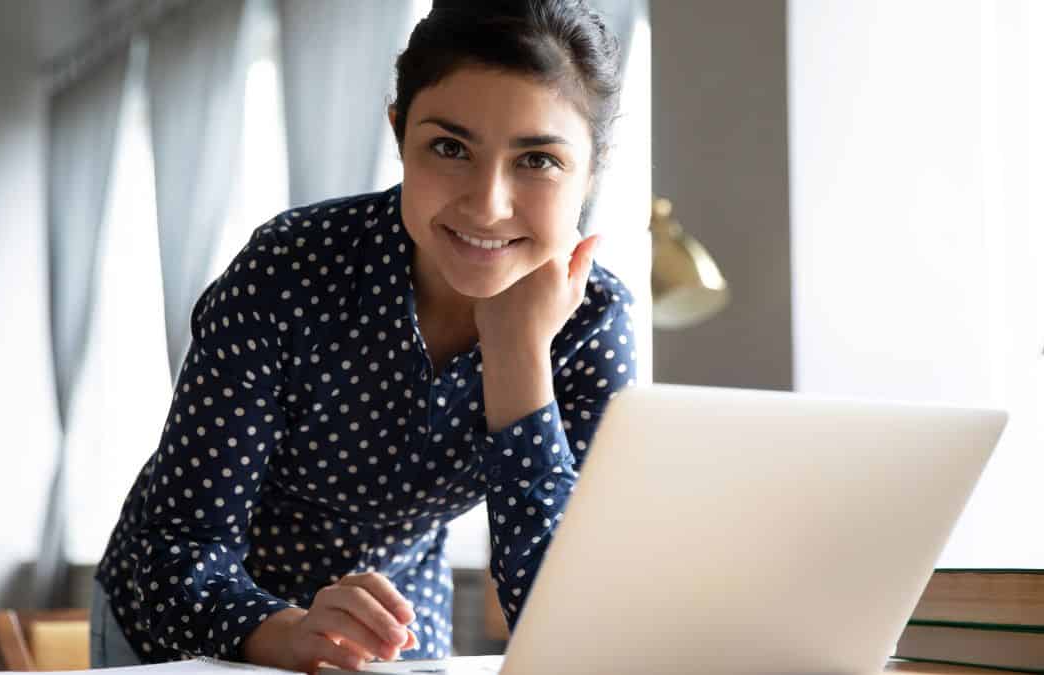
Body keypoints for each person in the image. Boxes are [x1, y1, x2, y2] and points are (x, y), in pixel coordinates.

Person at [90, 0, 637, 672]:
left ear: (591, 168)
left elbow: (561, 618)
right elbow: (176, 551)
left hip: (393, 632)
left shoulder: (592, 325)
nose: (488, 203)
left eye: (538, 160)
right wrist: (288, 629)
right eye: (449, 147)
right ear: (399, 134)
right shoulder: (289, 268)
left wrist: (518, 353)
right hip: (188, 627)